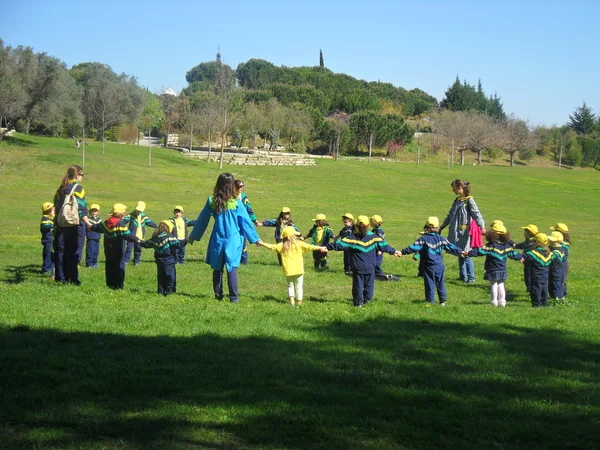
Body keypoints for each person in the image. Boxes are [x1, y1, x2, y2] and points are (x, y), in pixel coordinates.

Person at [189, 173, 261, 303]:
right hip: (233, 239)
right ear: (232, 185)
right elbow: (245, 222)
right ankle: (234, 298)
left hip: (218, 237)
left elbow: (202, 220)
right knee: (231, 267)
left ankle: (218, 296)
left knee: (217, 267)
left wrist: (193, 236)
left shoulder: (212, 201)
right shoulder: (236, 203)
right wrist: (255, 238)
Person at [327, 215, 401, 307]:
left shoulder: (352, 238)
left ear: (356, 225)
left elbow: (339, 244)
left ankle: (358, 303)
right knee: (369, 285)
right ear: (368, 226)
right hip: (370, 267)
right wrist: (394, 251)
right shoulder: (374, 237)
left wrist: (326, 247)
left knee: (358, 286)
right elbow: (384, 246)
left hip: (358, 268)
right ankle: (367, 301)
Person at [400, 216, 463, 306]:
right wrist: (461, 251)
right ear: (437, 228)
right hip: (439, 266)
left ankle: (430, 302)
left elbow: (413, 247)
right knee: (440, 283)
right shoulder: (441, 239)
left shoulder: (424, 239)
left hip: (429, 266)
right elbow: (451, 246)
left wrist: (402, 252)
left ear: (427, 228)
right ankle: (443, 301)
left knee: (430, 284)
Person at [258, 226, 327, 306]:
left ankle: (292, 303)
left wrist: (262, 244)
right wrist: (320, 247)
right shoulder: (299, 244)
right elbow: (310, 247)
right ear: (292, 236)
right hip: (299, 269)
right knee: (299, 286)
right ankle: (299, 303)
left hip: (288, 270)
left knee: (290, 286)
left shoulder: (281, 245)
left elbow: (272, 247)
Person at [464, 222, 522, 307]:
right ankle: (502, 301)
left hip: (492, 269)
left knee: (493, 284)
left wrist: (468, 253)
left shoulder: (490, 246)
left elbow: (479, 251)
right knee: (501, 284)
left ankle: (494, 301)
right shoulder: (506, 246)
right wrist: (521, 257)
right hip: (502, 269)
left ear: (495, 234)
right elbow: (514, 254)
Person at [439, 180, 486, 284]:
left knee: (467, 254)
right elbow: (450, 215)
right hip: (456, 233)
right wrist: (441, 227)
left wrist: (482, 227)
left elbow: (476, 214)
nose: (452, 190)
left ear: (460, 187)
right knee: (460, 253)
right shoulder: (457, 200)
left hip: (464, 232)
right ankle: (463, 277)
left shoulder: (469, 201)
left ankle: (471, 278)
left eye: (454, 187)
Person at [53, 165, 91, 285]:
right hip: (75, 225)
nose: (82, 177)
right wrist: (88, 222)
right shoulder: (78, 188)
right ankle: (73, 278)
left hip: (61, 225)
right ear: (77, 175)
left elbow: (57, 207)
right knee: (74, 251)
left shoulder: (60, 189)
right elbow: (81, 207)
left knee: (62, 252)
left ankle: (61, 277)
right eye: (82, 175)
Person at [88, 203, 137, 290]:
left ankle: (110, 284)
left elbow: (98, 227)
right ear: (121, 214)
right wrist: (137, 240)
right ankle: (118, 285)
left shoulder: (107, 222)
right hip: (118, 249)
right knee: (119, 266)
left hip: (108, 249)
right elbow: (127, 235)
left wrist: (91, 227)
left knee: (109, 265)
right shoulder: (120, 224)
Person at [140, 220, 187, 296]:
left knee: (161, 276)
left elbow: (146, 244)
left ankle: (160, 291)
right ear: (168, 228)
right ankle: (169, 291)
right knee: (170, 276)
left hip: (159, 261)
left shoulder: (155, 238)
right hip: (168, 261)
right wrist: (187, 240)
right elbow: (178, 244)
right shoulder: (169, 237)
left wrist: (140, 241)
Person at [522, 232, 557, 308]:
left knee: (536, 289)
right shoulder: (549, 253)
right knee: (544, 289)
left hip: (535, 276)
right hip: (545, 276)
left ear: (536, 242)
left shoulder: (532, 253)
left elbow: (524, 257)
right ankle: (544, 303)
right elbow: (554, 258)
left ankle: (536, 304)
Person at [123, 201, 157, 266]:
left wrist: (157, 226)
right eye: (138, 210)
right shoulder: (131, 215)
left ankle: (136, 261)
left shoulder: (144, 216)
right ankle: (126, 260)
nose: (139, 211)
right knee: (129, 249)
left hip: (140, 236)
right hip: (131, 236)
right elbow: (124, 221)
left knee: (138, 249)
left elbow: (150, 222)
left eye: (140, 210)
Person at [371, 215, 401, 281]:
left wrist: (380, 250)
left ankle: (383, 276)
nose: (370, 221)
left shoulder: (379, 231)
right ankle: (375, 275)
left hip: (379, 251)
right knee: (373, 264)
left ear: (374, 222)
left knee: (376, 264)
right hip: (375, 250)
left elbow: (381, 242)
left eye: (371, 220)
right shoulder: (374, 230)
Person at [235, 180, 258, 264]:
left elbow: (249, 208)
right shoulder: (230, 197)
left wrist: (254, 220)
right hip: (233, 222)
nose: (242, 188)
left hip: (243, 222)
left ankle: (244, 260)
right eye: (240, 186)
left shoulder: (244, 196)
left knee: (243, 240)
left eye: (243, 186)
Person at [515, 224, 538, 292]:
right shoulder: (528, 241)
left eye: (525, 232)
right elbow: (522, 245)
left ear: (529, 233)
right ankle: (529, 288)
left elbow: (529, 253)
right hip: (527, 262)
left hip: (531, 263)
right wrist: (514, 245)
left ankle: (531, 289)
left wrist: (522, 257)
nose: (524, 233)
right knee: (527, 276)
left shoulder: (533, 243)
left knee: (530, 276)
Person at [550, 223, 570, 298]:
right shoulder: (563, 242)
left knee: (561, 280)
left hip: (562, 263)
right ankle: (561, 294)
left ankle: (561, 296)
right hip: (560, 263)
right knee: (561, 280)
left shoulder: (563, 244)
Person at [547, 231, 566, 301]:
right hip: (551, 269)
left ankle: (557, 298)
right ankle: (554, 296)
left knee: (556, 284)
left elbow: (551, 257)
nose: (551, 242)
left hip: (556, 271)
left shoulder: (559, 250)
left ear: (558, 241)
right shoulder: (551, 247)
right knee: (551, 284)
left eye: (553, 241)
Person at [40, 202, 55, 277]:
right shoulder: (45, 219)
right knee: (47, 255)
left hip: (51, 239)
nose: (55, 210)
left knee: (52, 255)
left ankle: (51, 268)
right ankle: (46, 269)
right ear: (49, 211)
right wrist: (51, 228)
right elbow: (44, 227)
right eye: (53, 210)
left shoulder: (51, 218)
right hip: (47, 240)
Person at [85, 203, 102, 268]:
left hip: (97, 238)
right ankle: (89, 263)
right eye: (92, 211)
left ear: (98, 212)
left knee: (96, 252)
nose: (93, 213)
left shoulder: (99, 220)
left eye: (95, 211)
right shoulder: (88, 220)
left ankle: (94, 262)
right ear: (89, 212)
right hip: (90, 238)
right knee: (90, 251)